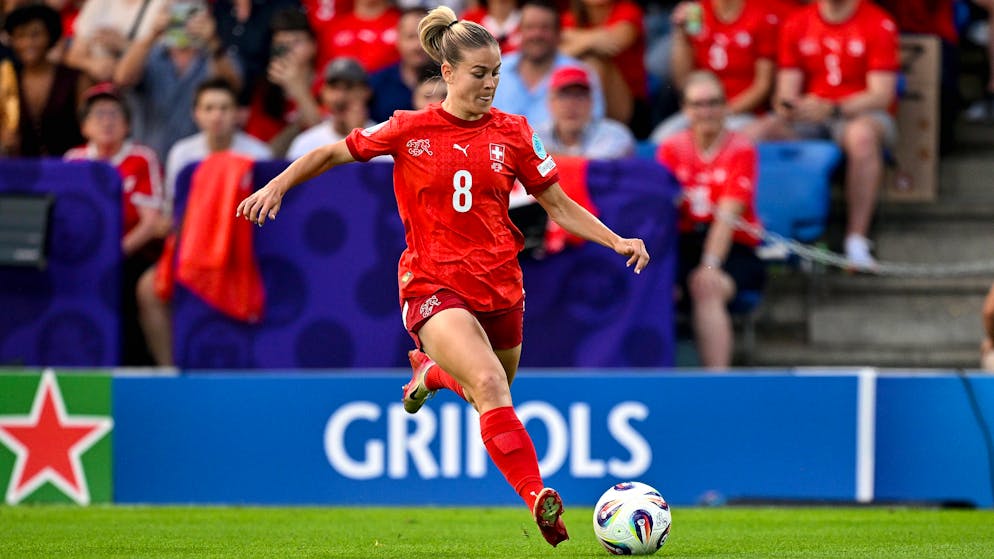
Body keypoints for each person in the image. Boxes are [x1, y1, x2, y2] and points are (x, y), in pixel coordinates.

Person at [235, 6, 649, 547]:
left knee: (488, 398)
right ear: (449, 73)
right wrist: (278, 186)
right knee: (490, 385)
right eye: (480, 73)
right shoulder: (409, 128)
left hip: (502, 284)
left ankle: (428, 375)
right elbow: (331, 152)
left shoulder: (517, 132)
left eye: (497, 72)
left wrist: (615, 238)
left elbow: (559, 205)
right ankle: (538, 498)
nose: (490, 83)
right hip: (434, 284)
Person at [745, 0, 899, 269]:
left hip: (857, 113)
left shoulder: (878, 22)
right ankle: (757, 232)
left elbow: (881, 94)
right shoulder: (797, 22)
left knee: (861, 137)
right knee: (756, 132)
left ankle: (856, 239)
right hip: (811, 113)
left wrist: (834, 107)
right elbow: (784, 94)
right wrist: (794, 107)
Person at [137, 77, 271, 367]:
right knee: (148, 289)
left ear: (238, 113)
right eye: (209, 108)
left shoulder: (260, 155)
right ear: (196, 114)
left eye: (224, 108)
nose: (217, 115)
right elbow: (174, 214)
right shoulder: (182, 154)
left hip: (245, 253)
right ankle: (168, 370)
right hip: (189, 250)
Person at [656, 71, 764, 369]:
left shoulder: (741, 149)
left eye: (714, 103)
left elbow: (728, 216)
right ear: (685, 109)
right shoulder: (671, 148)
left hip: (733, 248)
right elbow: (662, 211)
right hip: (684, 241)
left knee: (707, 285)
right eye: (698, 104)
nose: (706, 112)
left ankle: (717, 379)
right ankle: (653, 374)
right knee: (654, 285)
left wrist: (710, 264)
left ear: (726, 106)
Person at [64, 83, 166, 366]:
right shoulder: (73, 160)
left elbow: (151, 222)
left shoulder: (141, 158)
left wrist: (113, 254)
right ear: (84, 127)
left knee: (128, 291)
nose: (106, 121)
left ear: (128, 125)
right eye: (98, 115)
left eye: (114, 114)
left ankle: (137, 366)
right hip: (85, 258)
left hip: (134, 254)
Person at [113, 0, 242, 162]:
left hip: (198, 160)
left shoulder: (218, 56)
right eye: (175, 12)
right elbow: (122, 78)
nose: (184, 20)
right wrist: (152, 34)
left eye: (191, 12)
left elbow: (233, 88)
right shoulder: (150, 54)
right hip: (150, 161)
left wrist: (213, 42)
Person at [651, 0, 777, 142]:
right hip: (699, 110)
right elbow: (683, 82)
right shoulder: (696, 13)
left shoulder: (761, 16)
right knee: (661, 139)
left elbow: (763, 86)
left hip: (741, 113)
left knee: (729, 143)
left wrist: (723, 111)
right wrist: (681, 35)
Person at [491, 0, 606, 128]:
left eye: (545, 28)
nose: (537, 34)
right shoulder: (494, 70)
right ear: (519, 32)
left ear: (559, 34)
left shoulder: (582, 74)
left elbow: (592, 129)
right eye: (530, 27)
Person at [4, 3, 88, 156]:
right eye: (20, 36)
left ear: (51, 35)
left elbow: (89, 128)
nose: (28, 43)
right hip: (20, 172)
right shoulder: (6, 78)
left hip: (69, 169)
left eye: (35, 35)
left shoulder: (75, 79)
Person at [560, 0, 650, 137]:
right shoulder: (570, 17)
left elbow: (616, 42)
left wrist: (571, 37)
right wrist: (596, 40)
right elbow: (554, 54)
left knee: (596, 63)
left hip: (630, 109)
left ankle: (589, 133)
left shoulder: (627, 10)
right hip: (575, 97)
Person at [243, 7, 323, 157]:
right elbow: (259, 149)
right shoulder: (265, 89)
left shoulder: (326, 84)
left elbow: (325, 135)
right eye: (281, 45)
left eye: (296, 42)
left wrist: (297, 90)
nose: (288, 50)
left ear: (313, 46)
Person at [534, 65, 634, 158]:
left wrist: (543, 156)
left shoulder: (615, 134)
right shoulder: (536, 136)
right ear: (550, 102)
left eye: (579, 96)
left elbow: (594, 168)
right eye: (563, 96)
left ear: (592, 102)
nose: (571, 104)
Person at [286, 57, 375, 160]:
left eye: (349, 87)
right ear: (323, 93)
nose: (340, 96)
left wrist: (358, 138)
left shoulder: (382, 140)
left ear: (366, 93)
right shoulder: (306, 142)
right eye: (334, 87)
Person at [367, 7, 431, 122]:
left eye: (425, 37)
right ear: (398, 40)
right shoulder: (377, 83)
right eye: (410, 37)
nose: (418, 46)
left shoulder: (450, 81)